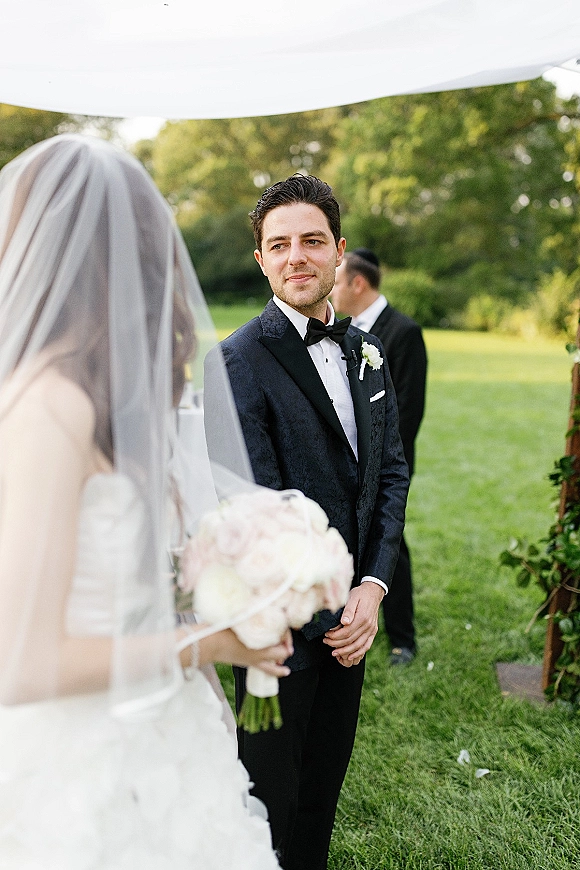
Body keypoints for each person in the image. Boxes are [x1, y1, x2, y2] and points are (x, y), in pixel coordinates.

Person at [0, 134, 293, 868]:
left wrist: (230, 599)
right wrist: (213, 642)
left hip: (163, 730)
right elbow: (22, 664)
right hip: (74, 762)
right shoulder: (48, 404)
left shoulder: (116, 393)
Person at [204, 176, 409, 870]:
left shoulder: (367, 351)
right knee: (269, 807)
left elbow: (389, 475)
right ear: (261, 259)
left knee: (323, 794)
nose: (297, 256)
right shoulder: (236, 361)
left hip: (355, 617)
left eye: (312, 241)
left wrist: (374, 589)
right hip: (276, 630)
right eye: (279, 244)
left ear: (339, 253)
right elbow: (252, 507)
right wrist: (330, 616)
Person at [332, 248, 427, 665]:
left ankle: (403, 638)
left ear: (358, 283)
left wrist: (377, 466)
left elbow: (407, 411)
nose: (331, 289)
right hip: (343, 461)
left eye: (337, 281)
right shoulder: (338, 330)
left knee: (391, 542)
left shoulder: (403, 332)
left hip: (386, 463)